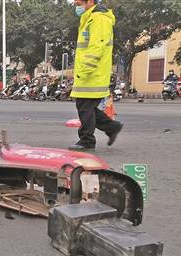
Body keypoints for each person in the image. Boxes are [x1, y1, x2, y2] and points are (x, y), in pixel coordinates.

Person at [69, 0, 123, 151]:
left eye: (79, 3)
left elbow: (97, 45)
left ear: (90, 1)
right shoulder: (89, 18)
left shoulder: (99, 18)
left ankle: (87, 140)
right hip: (89, 73)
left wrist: (86, 69)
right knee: (88, 107)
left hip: (93, 73)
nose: (76, 6)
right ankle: (112, 127)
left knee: (84, 106)